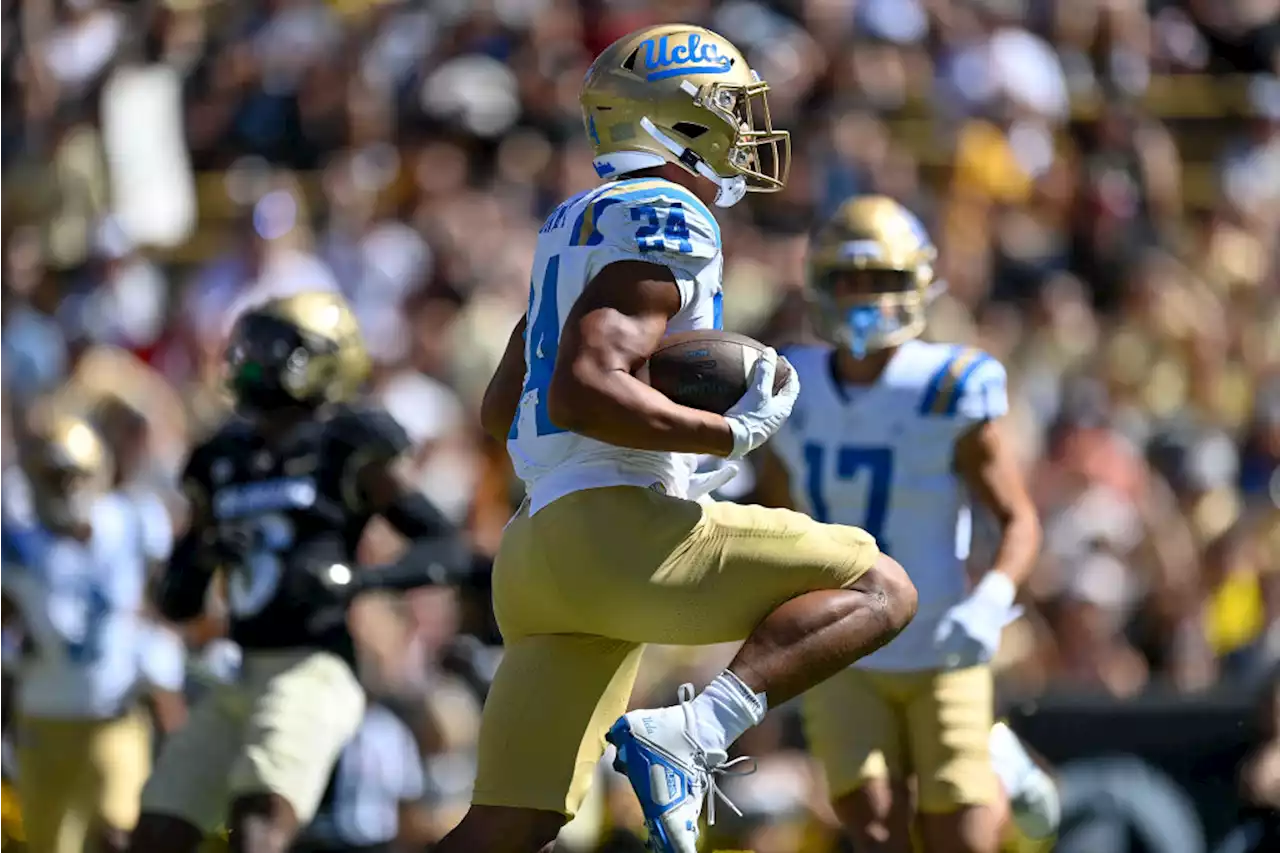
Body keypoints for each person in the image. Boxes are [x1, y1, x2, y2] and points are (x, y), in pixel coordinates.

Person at [438, 24, 919, 853]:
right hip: (617, 534)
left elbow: (498, 408)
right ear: (677, 120)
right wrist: (723, 434)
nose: (745, 127)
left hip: (536, 556)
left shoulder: (572, 224)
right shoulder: (668, 213)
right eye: (729, 108)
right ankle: (693, 732)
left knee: (505, 827)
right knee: (883, 588)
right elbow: (586, 386)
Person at [749, 195, 1057, 853]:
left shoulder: (949, 383)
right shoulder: (788, 384)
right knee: (875, 834)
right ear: (820, 285)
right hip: (843, 647)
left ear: (917, 285)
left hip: (941, 640)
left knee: (963, 841)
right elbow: (774, 522)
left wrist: (992, 601)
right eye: (850, 279)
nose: (866, 298)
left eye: (884, 280)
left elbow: (1017, 519)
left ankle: (1000, 762)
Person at [125, 291, 469, 853]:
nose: (251, 359)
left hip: (315, 666)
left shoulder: (346, 441)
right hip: (238, 668)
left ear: (329, 356)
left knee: (258, 820)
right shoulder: (221, 454)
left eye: (273, 347)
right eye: (250, 344)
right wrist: (207, 553)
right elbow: (176, 600)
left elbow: (445, 545)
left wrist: (357, 581)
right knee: (158, 827)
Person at [0, 411, 186, 853]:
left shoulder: (131, 523)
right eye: (54, 477)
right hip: (44, 719)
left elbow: (163, 605)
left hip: (115, 716)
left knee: (118, 835)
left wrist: (163, 683)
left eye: (73, 476)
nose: (66, 489)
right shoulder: (18, 549)